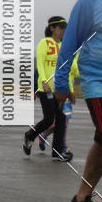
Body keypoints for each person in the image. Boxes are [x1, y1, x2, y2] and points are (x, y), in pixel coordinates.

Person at [55, 0, 102, 202]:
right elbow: (69, 44)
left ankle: (81, 199)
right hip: (99, 84)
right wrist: (62, 83)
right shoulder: (90, 3)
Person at [23, 16, 70, 161]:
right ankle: (29, 136)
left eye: (65, 29)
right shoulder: (44, 43)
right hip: (45, 88)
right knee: (49, 119)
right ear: (52, 28)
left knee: (61, 118)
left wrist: (67, 87)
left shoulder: (63, 45)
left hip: (58, 88)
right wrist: (43, 81)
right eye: (61, 28)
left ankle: (57, 152)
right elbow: (40, 64)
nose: (63, 31)